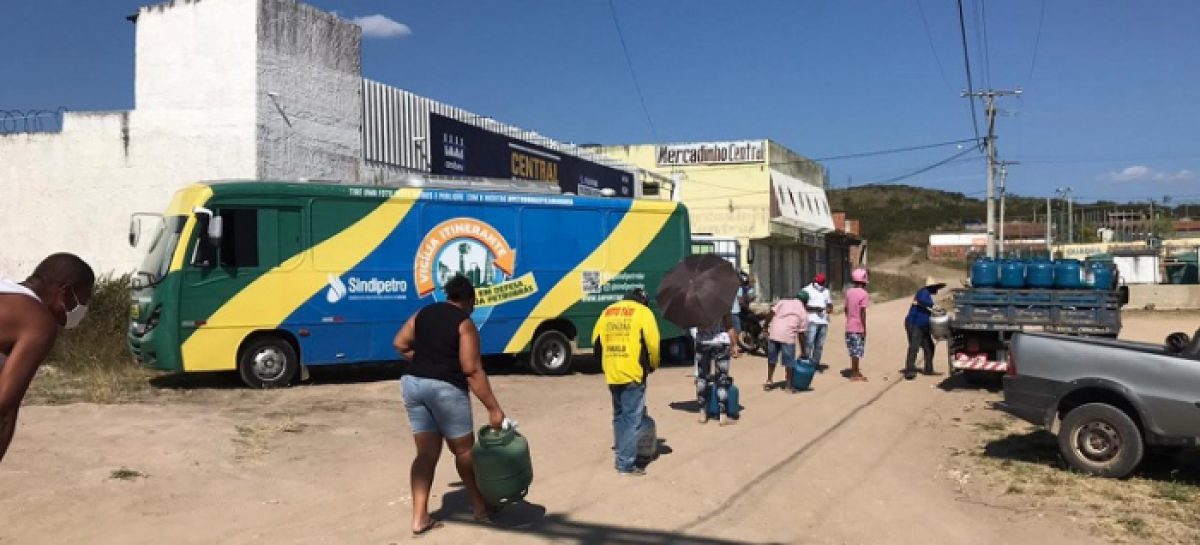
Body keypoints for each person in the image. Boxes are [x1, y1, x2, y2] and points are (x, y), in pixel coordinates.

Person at [393, 275, 507, 536]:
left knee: (426, 454)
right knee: (464, 450)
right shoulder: (464, 324)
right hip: (444, 389)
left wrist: (424, 361)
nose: (474, 308)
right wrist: (493, 408)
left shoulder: (423, 312)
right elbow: (472, 369)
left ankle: (419, 518)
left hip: (413, 384)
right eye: (474, 303)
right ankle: (480, 508)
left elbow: (399, 343)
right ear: (468, 299)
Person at [0, 253, 95, 464]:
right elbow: (4, 406)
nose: (82, 309)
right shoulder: (37, 320)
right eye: (83, 300)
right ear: (65, 293)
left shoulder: (6, 294)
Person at [591, 288, 661, 476]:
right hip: (633, 372)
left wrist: (607, 364)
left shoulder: (608, 311)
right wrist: (652, 364)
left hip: (612, 372)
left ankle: (622, 449)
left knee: (619, 415)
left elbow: (596, 344)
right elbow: (653, 344)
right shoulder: (643, 313)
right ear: (643, 301)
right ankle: (625, 464)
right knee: (632, 419)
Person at [695, 311, 741, 425]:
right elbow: (729, 326)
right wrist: (735, 345)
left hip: (702, 342)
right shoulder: (722, 303)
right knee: (722, 379)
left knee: (702, 378)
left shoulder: (696, 305)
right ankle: (723, 416)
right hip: (721, 343)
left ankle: (702, 414)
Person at [904, 276, 947, 380]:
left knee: (929, 347)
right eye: (936, 287)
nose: (937, 290)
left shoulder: (927, 294)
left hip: (923, 325)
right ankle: (909, 370)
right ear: (931, 287)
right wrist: (933, 306)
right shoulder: (923, 292)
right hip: (915, 324)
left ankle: (928, 369)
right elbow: (923, 301)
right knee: (914, 347)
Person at [765, 290, 808, 392]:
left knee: (772, 358)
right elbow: (801, 334)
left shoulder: (783, 302)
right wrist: (803, 351)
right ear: (805, 302)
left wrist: (765, 325)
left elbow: (771, 312)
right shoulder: (803, 312)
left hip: (774, 332)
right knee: (789, 362)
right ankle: (788, 385)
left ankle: (769, 380)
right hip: (787, 336)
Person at [802, 273, 833, 371]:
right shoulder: (806, 290)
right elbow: (803, 306)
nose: (820, 285)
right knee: (809, 343)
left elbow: (829, 304)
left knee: (819, 345)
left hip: (823, 321)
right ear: (814, 281)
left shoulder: (826, 291)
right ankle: (805, 362)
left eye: (821, 283)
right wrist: (816, 309)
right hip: (811, 320)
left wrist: (829, 308)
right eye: (818, 283)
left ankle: (815, 364)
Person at [844, 268, 870, 382]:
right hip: (858, 326)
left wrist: (850, 317)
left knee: (853, 351)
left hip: (849, 326)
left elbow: (846, 309)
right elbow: (862, 312)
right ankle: (855, 373)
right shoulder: (864, 294)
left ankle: (855, 371)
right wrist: (864, 327)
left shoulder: (849, 292)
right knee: (857, 351)